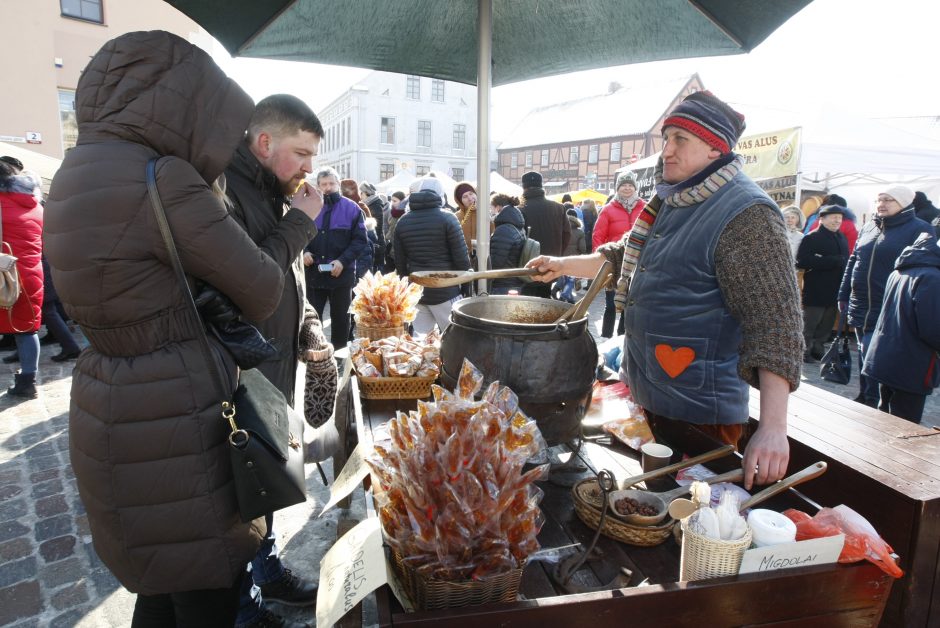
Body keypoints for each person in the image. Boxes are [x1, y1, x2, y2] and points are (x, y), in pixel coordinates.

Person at [43, 30, 298, 626]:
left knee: (159, 583)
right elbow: (262, 289)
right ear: (180, 103)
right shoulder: (163, 178)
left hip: (109, 398)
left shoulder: (73, 172)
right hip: (179, 411)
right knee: (206, 585)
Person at [527, 91, 803, 490]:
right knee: (648, 504)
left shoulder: (746, 213)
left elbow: (776, 322)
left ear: (714, 148)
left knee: (685, 511)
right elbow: (622, 257)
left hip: (700, 410)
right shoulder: (673, 199)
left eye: (680, 140)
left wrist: (775, 427)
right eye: (666, 138)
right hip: (649, 391)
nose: (666, 151)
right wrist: (561, 265)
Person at [223, 93, 335, 628]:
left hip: (275, 366)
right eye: (301, 153)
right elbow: (249, 280)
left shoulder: (271, 189)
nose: (309, 168)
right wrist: (302, 222)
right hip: (243, 375)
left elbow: (290, 282)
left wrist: (310, 327)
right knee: (242, 492)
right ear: (264, 143)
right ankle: (245, 607)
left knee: (267, 481)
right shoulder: (227, 189)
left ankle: (266, 571)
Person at [838, 186, 933, 408]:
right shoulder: (869, 227)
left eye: (889, 200)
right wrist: (843, 293)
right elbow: (854, 261)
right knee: (864, 355)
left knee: (877, 360)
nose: (882, 203)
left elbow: (923, 267)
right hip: (861, 305)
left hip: (889, 308)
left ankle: (875, 402)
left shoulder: (920, 229)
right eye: (879, 199)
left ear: (904, 203)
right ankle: (866, 397)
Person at [862, 233, 940, 423]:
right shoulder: (932, 277)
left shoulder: (905, 268)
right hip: (911, 362)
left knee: (884, 417)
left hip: (888, 355)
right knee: (903, 423)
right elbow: (932, 329)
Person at [393, 176, 470, 333]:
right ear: (440, 195)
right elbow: (462, 261)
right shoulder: (448, 218)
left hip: (417, 291)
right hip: (446, 290)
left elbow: (400, 264)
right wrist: (465, 287)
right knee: (454, 339)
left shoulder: (403, 221)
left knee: (421, 345)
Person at [303, 167, 367, 350]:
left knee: (341, 320)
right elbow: (297, 234)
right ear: (318, 186)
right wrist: (304, 251)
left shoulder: (352, 208)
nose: (328, 187)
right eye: (324, 184)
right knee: (311, 321)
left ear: (338, 184)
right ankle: (312, 356)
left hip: (341, 275)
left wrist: (342, 261)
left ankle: (340, 355)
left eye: (331, 183)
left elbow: (360, 240)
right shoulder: (310, 207)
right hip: (314, 274)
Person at [0, 160, 43, 398]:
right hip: (30, 275)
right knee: (27, 329)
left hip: (3, 273)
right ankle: (28, 381)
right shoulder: (36, 205)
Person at [593, 172, 646, 337]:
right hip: (614, 262)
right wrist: (599, 262)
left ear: (635, 187)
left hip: (637, 263)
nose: (627, 188)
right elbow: (598, 236)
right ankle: (606, 337)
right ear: (618, 188)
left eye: (630, 185)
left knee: (629, 305)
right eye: (624, 185)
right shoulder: (608, 209)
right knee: (610, 305)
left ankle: (623, 338)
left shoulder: (645, 207)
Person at [796, 205, 848, 362]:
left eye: (839, 218)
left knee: (827, 324)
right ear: (822, 219)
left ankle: (818, 349)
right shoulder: (812, 237)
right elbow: (803, 261)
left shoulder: (841, 237)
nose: (837, 221)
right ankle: (803, 351)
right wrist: (831, 261)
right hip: (817, 287)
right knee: (811, 323)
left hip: (835, 287)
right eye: (833, 217)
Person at [519, 171, 570, 298]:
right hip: (550, 263)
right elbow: (567, 235)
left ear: (524, 187)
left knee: (525, 305)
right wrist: (556, 254)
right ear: (542, 186)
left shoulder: (519, 209)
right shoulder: (559, 208)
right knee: (544, 300)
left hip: (526, 265)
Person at [487, 193, 527, 295]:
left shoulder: (503, 230)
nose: (491, 211)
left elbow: (495, 263)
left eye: (491, 208)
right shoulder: (517, 225)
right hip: (515, 281)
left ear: (498, 207)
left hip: (502, 284)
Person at [554, 208, 586, 303]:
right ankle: (564, 294)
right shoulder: (580, 232)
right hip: (574, 259)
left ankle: (564, 294)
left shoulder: (560, 229)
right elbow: (583, 248)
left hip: (561, 257)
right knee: (571, 279)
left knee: (563, 276)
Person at [359, 181, 386, 272]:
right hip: (376, 241)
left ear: (366, 193)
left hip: (377, 242)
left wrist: (375, 242)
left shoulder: (375, 205)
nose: (360, 195)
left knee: (377, 270)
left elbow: (377, 227)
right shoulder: (372, 204)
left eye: (361, 193)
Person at [384, 190, 406, 272]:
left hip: (401, 251)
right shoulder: (392, 212)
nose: (392, 203)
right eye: (391, 200)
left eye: (395, 201)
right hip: (391, 248)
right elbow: (388, 228)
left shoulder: (405, 214)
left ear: (402, 201)